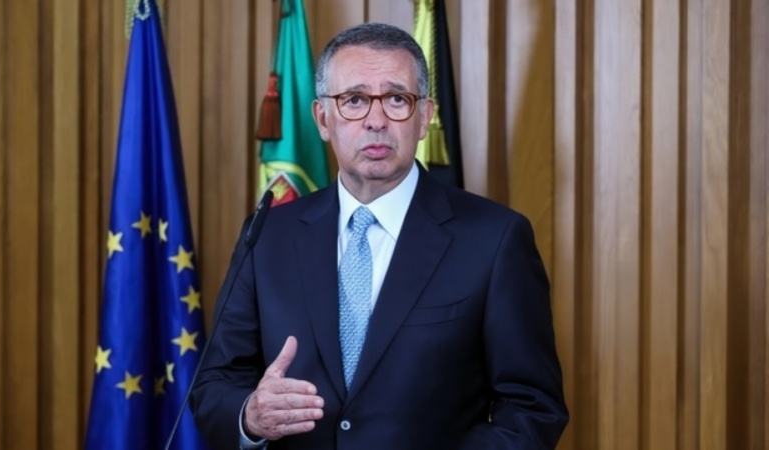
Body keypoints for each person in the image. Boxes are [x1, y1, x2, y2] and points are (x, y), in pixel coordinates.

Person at [191, 22, 568, 449]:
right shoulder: (268, 235)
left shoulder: (494, 239)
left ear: (424, 117)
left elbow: (533, 408)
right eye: (354, 100)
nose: (375, 120)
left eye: (396, 99)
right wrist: (251, 415)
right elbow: (215, 384)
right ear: (323, 119)